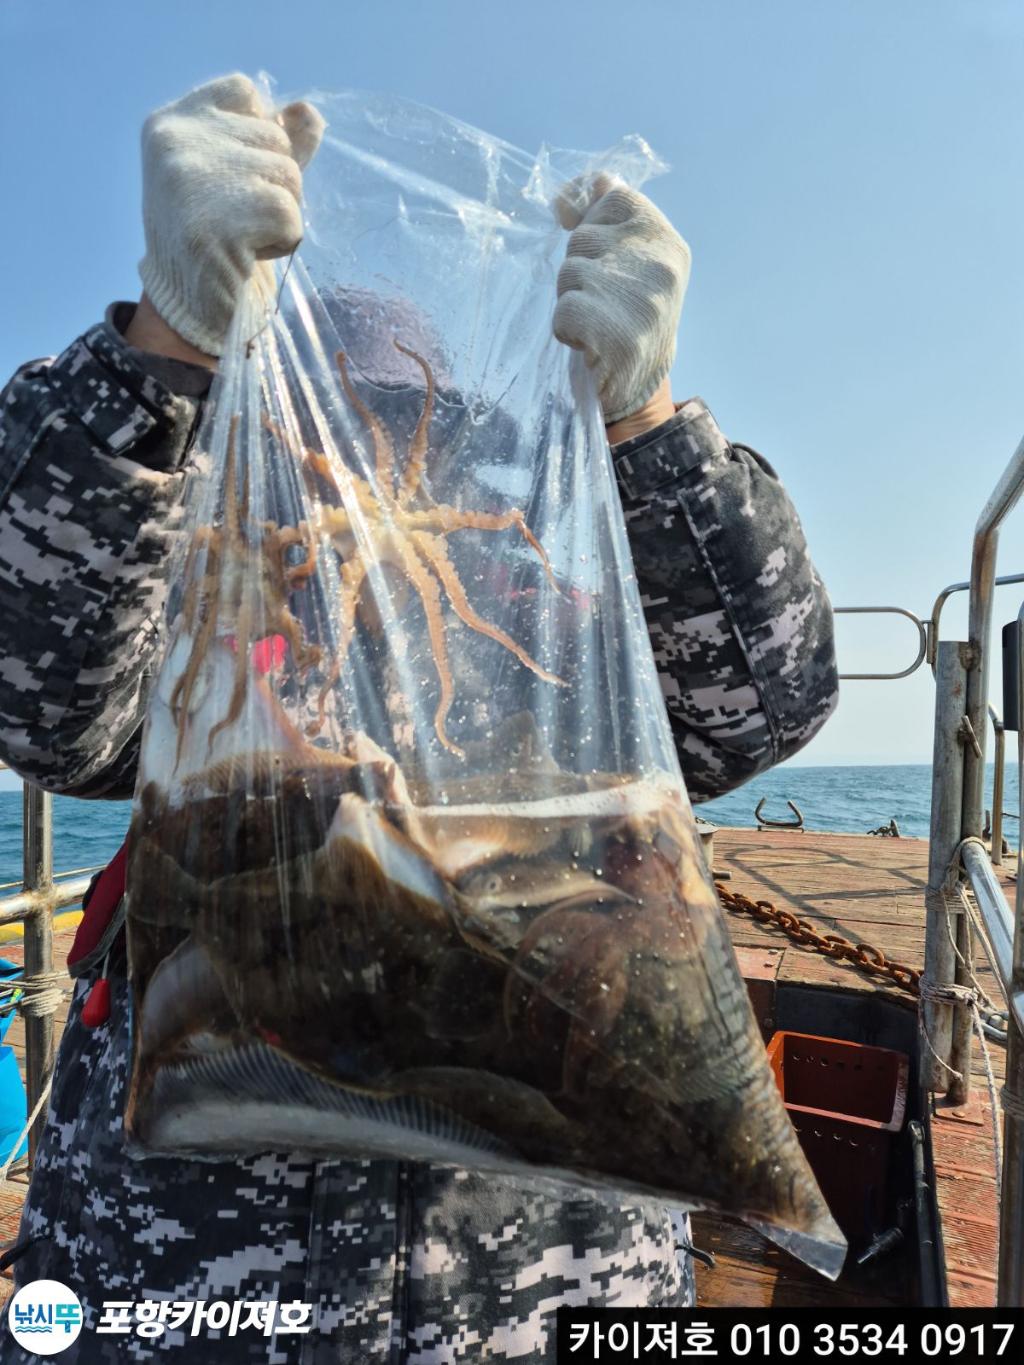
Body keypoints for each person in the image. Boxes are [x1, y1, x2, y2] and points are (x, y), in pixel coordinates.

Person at [0, 75, 838, 1363]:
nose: (376, 464)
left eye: (410, 422)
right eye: (333, 423)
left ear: (460, 446)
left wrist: (648, 425)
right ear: (261, 427)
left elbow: (754, 712)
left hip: (548, 1287)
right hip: (184, 1282)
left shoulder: (552, 618)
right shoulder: (205, 606)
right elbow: (44, 705)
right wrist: (159, 359)